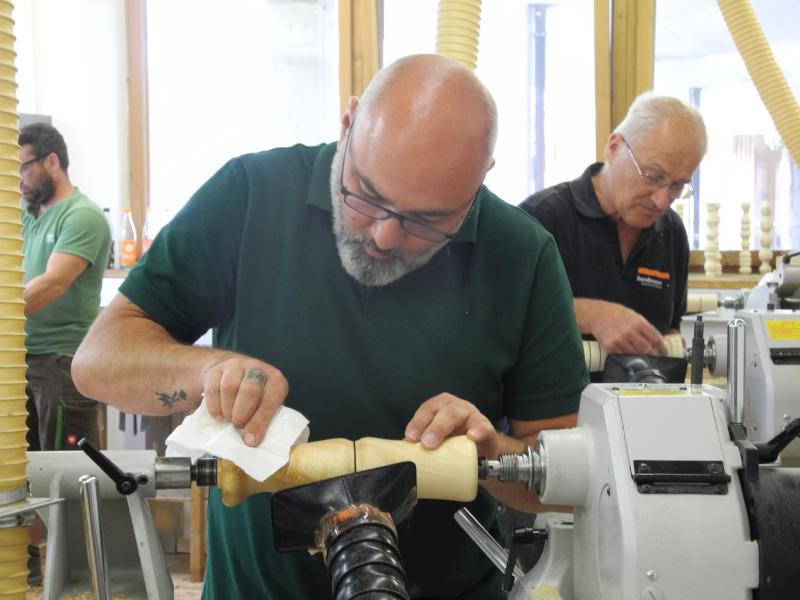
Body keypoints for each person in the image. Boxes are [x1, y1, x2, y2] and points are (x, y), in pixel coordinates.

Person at [72, 54, 588, 598]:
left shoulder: (523, 254)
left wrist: (491, 454)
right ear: (348, 123)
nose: (384, 237)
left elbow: (570, 484)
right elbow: (97, 361)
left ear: (481, 179)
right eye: (367, 195)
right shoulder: (251, 196)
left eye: (427, 220)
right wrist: (209, 372)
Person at [520, 93, 707, 363]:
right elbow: (500, 314)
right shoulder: (540, 218)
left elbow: (670, 328)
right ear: (614, 147)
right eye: (653, 176)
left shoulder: (671, 232)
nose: (661, 201)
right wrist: (591, 315)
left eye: (677, 186)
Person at [20, 123, 111, 451]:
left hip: (61, 363)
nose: (18, 179)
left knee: (69, 470)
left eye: (23, 168)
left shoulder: (82, 216)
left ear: (52, 162)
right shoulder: (26, 216)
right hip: (23, 359)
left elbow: (54, 283)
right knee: (24, 471)